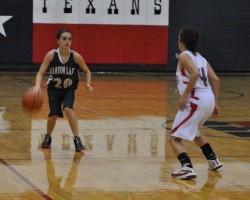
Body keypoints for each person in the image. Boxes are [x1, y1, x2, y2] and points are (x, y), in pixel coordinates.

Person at [170, 26, 222, 179]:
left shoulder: (183, 56)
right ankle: (213, 159)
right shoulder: (201, 57)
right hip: (208, 98)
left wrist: (184, 96)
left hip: (195, 99)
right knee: (196, 132)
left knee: (174, 138)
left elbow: (195, 74)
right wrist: (215, 104)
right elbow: (216, 80)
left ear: (182, 41)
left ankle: (187, 168)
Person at [34, 28, 93, 152]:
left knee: (68, 108)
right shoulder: (51, 55)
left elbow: (87, 71)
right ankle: (48, 137)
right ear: (58, 41)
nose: (67, 41)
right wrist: (38, 86)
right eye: (64, 39)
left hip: (69, 89)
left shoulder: (76, 56)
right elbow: (40, 73)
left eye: (70, 39)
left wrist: (88, 84)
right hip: (53, 89)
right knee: (53, 114)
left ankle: (77, 139)